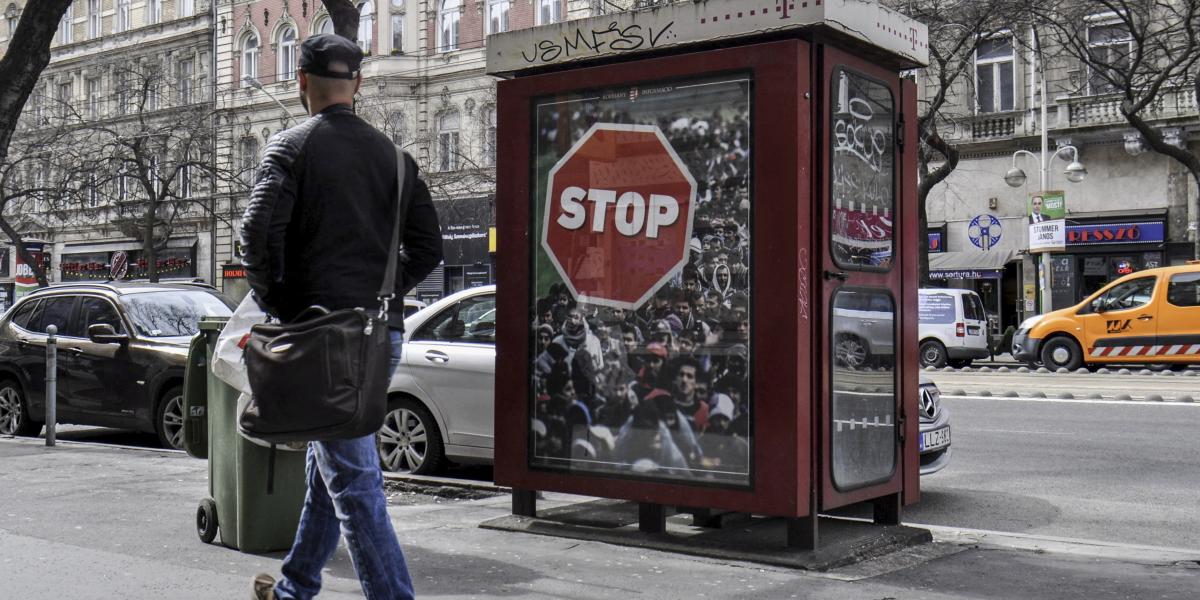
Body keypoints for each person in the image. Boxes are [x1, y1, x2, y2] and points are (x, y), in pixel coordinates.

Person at [242, 34, 442, 600]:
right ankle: (294, 586)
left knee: (354, 484)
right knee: (329, 467)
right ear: (357, 85)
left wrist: (282, 305)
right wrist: (381, 294)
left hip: (321, 340)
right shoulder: (397, 159)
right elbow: (428, 250)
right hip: (381, 336)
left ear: (300, 81)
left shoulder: (290, 146)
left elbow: (256, 236)